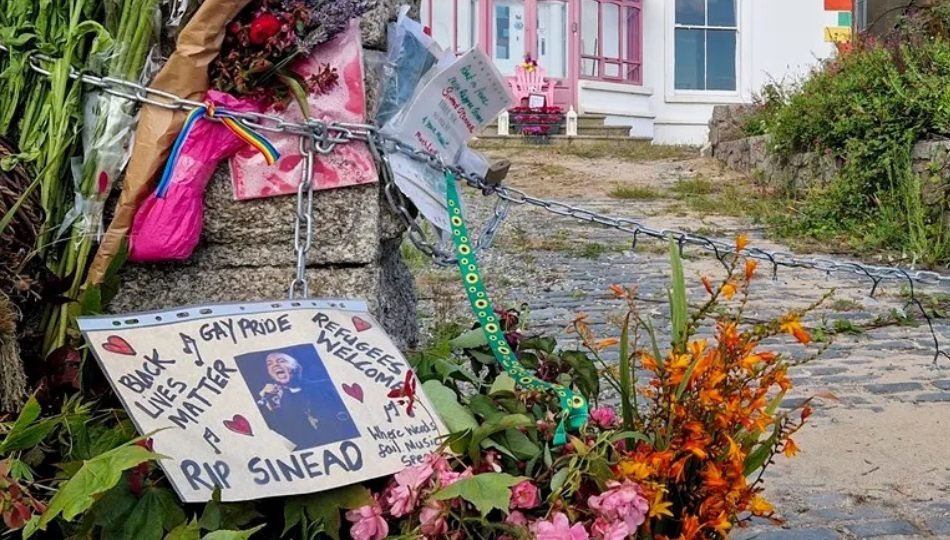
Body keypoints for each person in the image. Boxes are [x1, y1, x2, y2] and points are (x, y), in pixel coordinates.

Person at [256, 352, 324, 450]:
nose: (275, 365)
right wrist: (270, 407)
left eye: (282, 361)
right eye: (269, 363)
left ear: (298, 367)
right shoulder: (275, 401)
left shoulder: (325, 387)